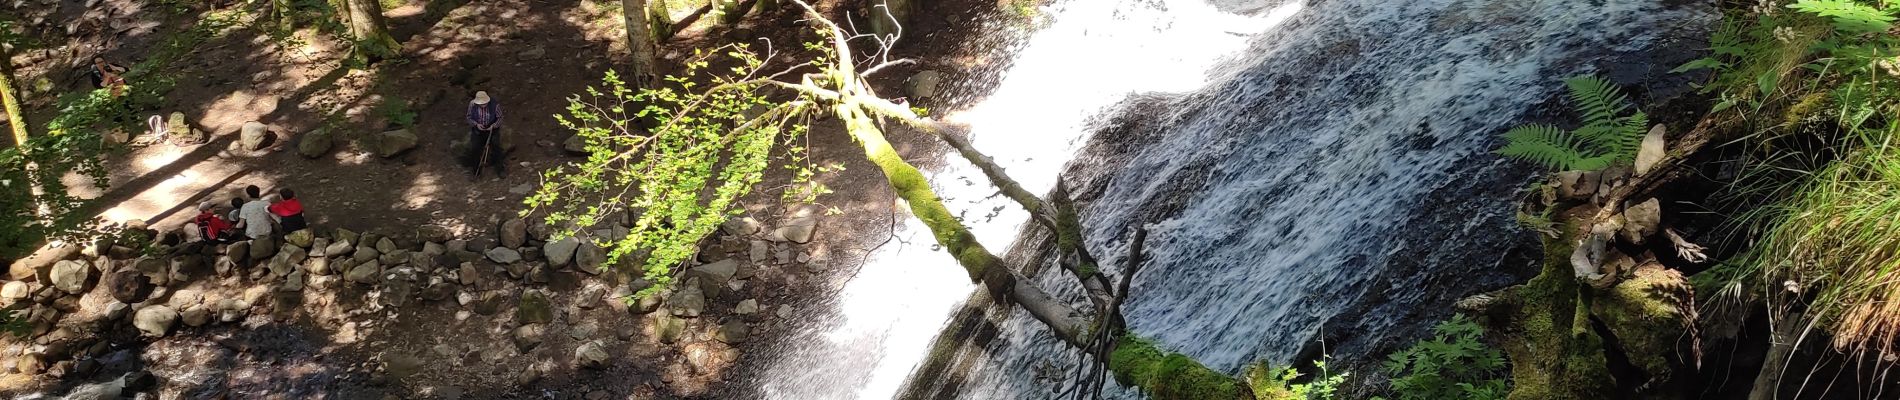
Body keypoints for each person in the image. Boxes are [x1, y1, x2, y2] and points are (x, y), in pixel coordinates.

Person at [465, 90, 506, 180]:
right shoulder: (472, 105)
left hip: (492, 129)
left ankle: (500, 170)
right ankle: (476, 171)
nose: (483, 105)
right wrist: (476, 124)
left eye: (484, 103)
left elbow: (500, 117)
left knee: (496, 147)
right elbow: (468, 117)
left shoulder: (495, 105)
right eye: (481, 104)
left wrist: (494, 126)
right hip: (478, 130)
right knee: (475, 148)